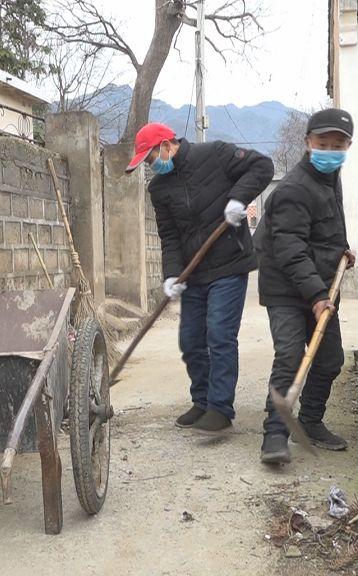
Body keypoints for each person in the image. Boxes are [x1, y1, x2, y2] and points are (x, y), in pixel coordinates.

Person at [125, 122, 274, 434]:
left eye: (151, 159)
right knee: (191, 339)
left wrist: (237, 198)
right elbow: (169, 236)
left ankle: (220, 409)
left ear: (166, 145)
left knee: (219, 334)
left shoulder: (215, 154)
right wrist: (171, 275)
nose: (152, 167)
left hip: (228, 264)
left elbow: (263, 166)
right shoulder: (159, 189)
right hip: (193, 271)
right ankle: (203, 400)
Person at [253, 108, 357, 464]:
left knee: (330, 360)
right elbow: (290, 247)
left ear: (348, 146)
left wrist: (339, 252)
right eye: (322, 143)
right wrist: (315, 296)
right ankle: (274, 436)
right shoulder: (294, 189)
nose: (330, 150)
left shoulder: (331, 178)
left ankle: (310, 422)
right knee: (290, 356)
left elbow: (320, 231)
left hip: (322, 285)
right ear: (308, 143)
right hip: (286, 286)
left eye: (338, 145)